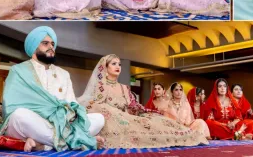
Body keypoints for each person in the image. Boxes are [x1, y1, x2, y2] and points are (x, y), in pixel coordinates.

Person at [0, 26, 105, 152]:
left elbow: (72, 103)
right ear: (34, 47)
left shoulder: (63, 74)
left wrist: (71, 114)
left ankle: (44, 145)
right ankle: (80, 141)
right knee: (18, 116)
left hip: (61, 124)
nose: (51, 47)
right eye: (45, 43)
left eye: (53, 44)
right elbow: (10, 105)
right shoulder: (18, 71)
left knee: (99, 119)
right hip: (34, 123)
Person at [78, 55, 208, 148]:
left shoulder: (124, 87)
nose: (118, 66)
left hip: (128, 116)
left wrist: (142, 110)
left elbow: (133, 105)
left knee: (157, 120)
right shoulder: (101, 87)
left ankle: (189, 135)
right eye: (113, 64)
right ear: (105, 68)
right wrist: (114, 112)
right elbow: (95, 105)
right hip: (114, 120)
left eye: (119, 64)